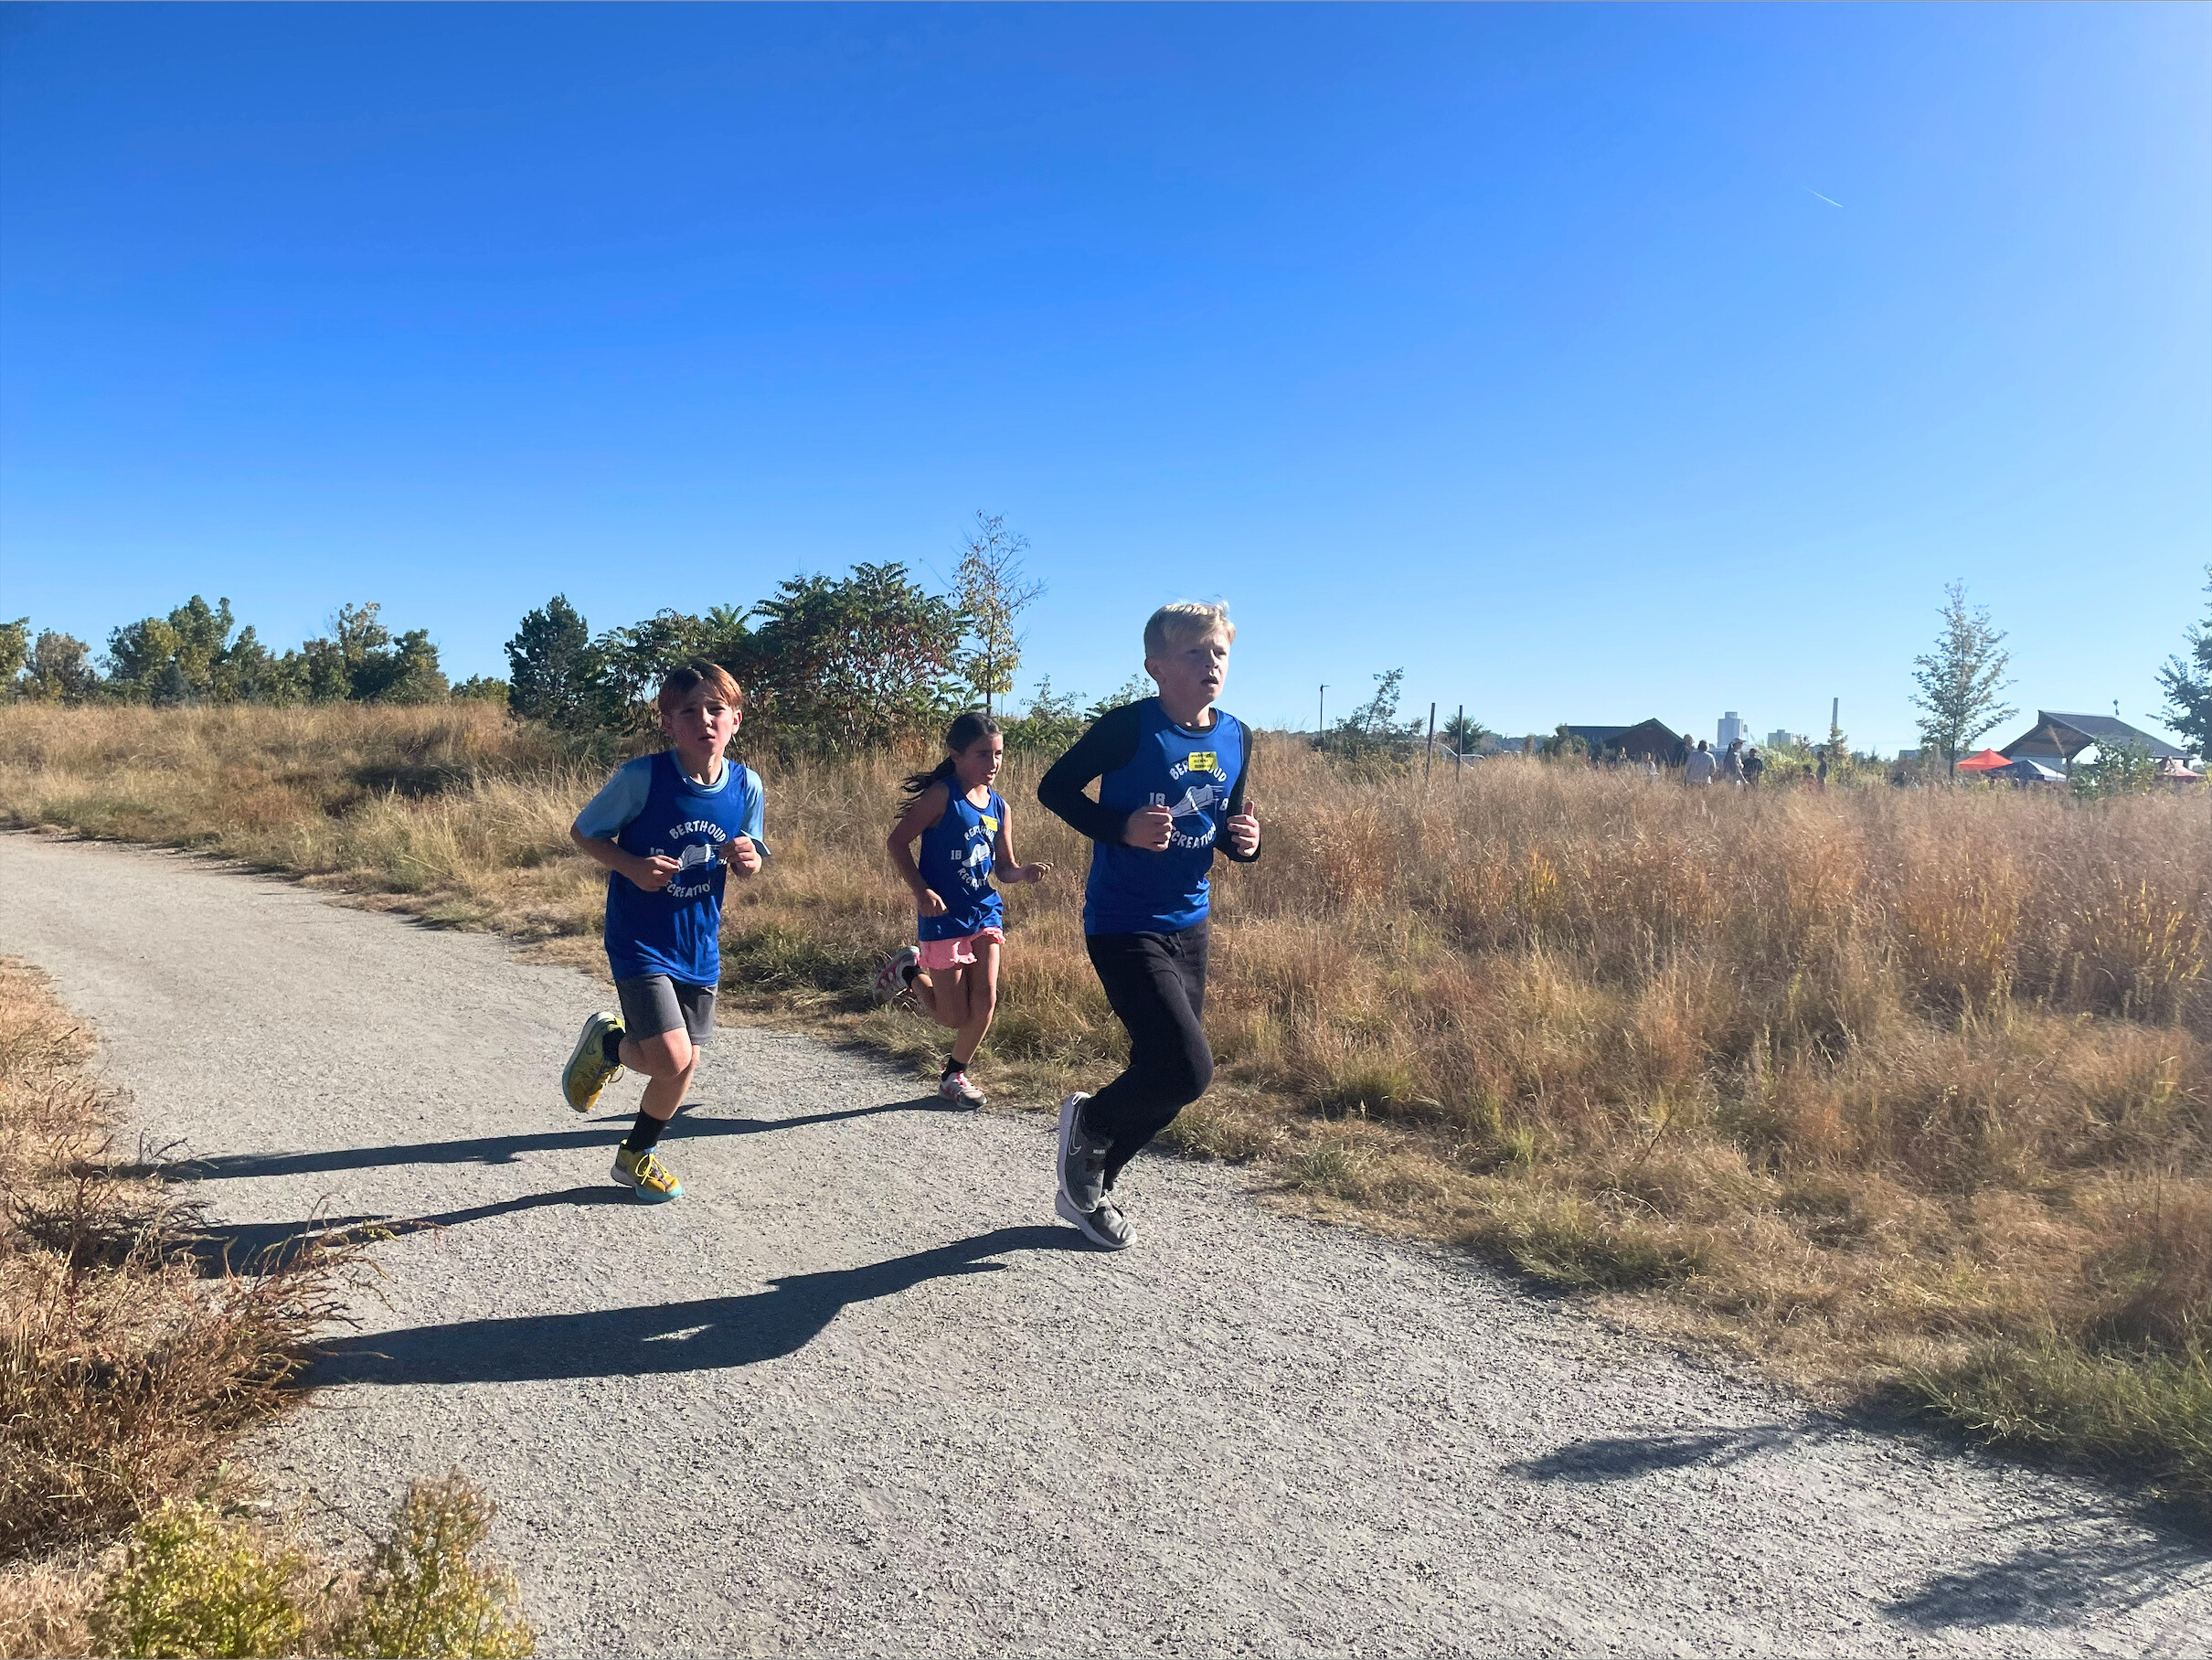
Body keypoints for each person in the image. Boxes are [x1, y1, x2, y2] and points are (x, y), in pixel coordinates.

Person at [1036, 601, 1261, 1250]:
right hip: (1124, 922)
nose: (1211, 664)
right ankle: (1092, 1125)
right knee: (1187, 1069)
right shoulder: (1128, 729)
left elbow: (1226, 823)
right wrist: (1121, 827)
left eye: (1219, 652)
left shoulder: (1237, 736)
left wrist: (1244, 841)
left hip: (1191, 923)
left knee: (1162, 1073)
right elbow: (1056, 789)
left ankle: (1092, 1184)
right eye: (1195, 653)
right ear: (1156, 668)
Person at [558, 661, 767, 1203]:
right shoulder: (642, 778)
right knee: (672, 1059)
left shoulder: (746, 785)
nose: (705, 720)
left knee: (685, 1061)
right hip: (640, 938)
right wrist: (629, 865)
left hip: (699, 942)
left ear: (736, 720)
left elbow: (751, 851)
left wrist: (748, 859)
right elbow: (585, 832)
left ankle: (634, 1151)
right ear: (667, 723)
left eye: (716, 709)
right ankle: (610, 1046)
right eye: (689, 711)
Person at [873, 711, 1053, 1107]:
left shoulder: (1000, 808)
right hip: (943, 917)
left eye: (999, 755)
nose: (993, 764)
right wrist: (921, 891)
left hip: (984, 911)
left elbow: (1002, 868)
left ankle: (954, 1074)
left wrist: (1023, 873)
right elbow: (897, 843)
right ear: (956, 755)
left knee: (986, 1001)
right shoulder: (942, 795)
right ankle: (909, 970)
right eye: (983, 755)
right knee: (953, 1016)